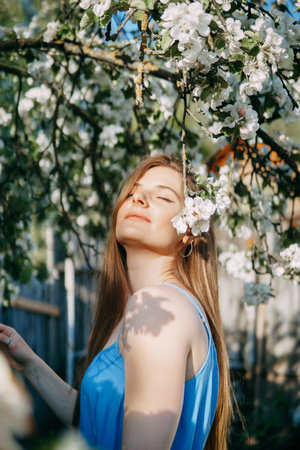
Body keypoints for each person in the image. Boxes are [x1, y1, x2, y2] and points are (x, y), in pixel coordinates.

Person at [0, 154, 232, 449]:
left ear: (190, 232)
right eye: (132, 193)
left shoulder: (158, 307)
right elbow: (95, 420)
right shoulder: (141, 309)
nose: (139, 199)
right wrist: (30, 363)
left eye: (163, 196)